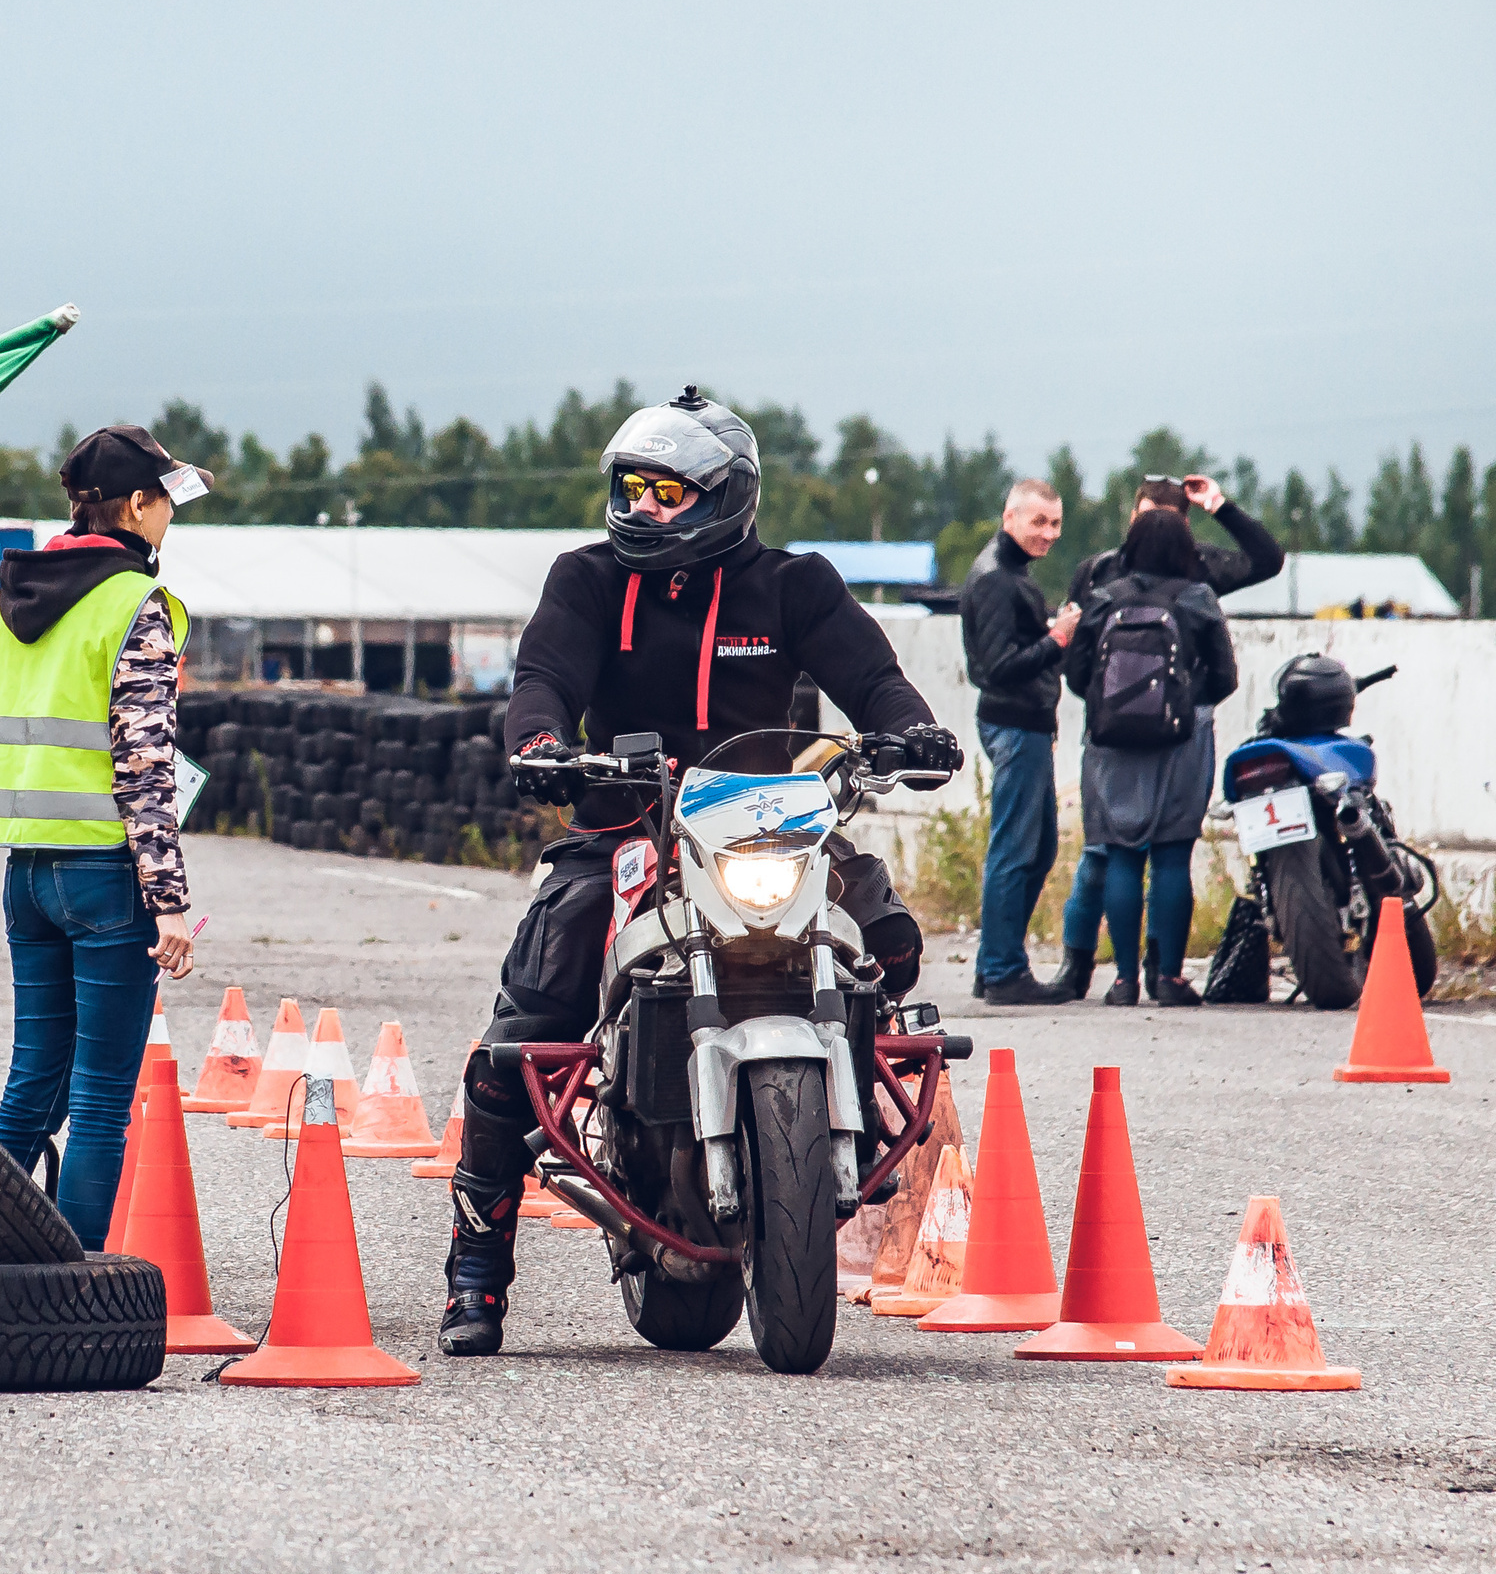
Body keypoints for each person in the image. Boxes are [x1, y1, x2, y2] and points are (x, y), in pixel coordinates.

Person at [445, 387, 962, 1357]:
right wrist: (542, 741)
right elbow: (543, 676)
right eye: (632, 489)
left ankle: (853, 1077)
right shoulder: (588, 579)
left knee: (883, 931)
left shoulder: (794, 585)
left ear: (726, 497)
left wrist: (908, 730)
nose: (643, 508)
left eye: (667, 493)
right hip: (626, 821)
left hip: (769, 825)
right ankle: (476, 1269)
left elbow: (870, 675)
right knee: (534, 1010)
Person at [0, 425, 203, 1248]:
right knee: (102, 1097)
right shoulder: (133, 603)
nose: (173, 515)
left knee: (31, 1085)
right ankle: (70, 1291)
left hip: (25, 873)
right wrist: (169, 902)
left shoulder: (8, 602)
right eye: (168, 498)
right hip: (105, 877)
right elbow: (145, 766)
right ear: (137, 505)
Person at [1046, 474, 1282, 999]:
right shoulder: (1199, 594)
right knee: (1173, 855)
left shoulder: (1102, 592)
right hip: (1183, 741)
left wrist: (1114, 709)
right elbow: (1225, 678)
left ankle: (1125, 980)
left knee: (1121, 856)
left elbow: (1077, 672)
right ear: (1186, 540)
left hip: (1110, 745)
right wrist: (1187, 708)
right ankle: (1170, 978)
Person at [960, 480, 1079, 1004]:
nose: (1048, 534)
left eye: (1055, 523)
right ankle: (1004, 969)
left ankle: (995, 965)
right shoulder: (996, 580)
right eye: (1038, 522)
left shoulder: (1009, 575)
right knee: (1017, 849)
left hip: (1027, 726)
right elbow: (994, 669)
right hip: (1014, 725)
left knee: (1037, 848)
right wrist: (1056, 640)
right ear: (1010, 517)